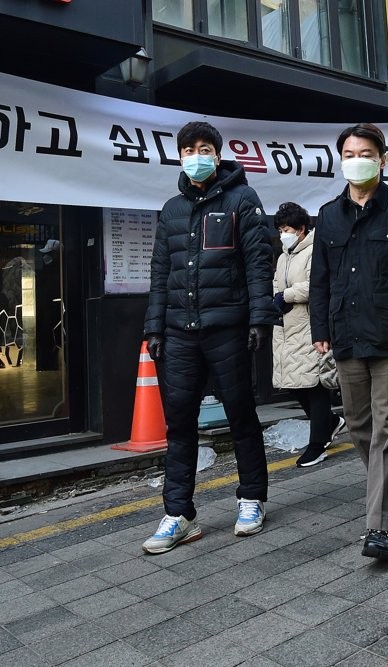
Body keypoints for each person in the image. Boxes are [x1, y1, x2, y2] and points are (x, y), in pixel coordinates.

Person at [142, 121, 280, 554]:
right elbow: (160, 273)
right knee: (179, 423)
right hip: (179, 333)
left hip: (228, 329)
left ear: (217, 155)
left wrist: (259, 320)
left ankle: (252, 498)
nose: (196, 156)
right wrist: (154, 326)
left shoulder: (243, 200)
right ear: (180, 156)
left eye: (204, 148)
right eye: (188, 150)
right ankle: (178, 514)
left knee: (240, 415)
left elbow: (260, 262)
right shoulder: (170, 210)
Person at [310, 123, 388, 561]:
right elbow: (320, 279)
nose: (357, 159)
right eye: (349, 152)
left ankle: (380, 528)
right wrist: (320, 330)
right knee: (360, 429)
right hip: (346, 336)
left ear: (382, 160)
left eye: (365, 152)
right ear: (340, 160)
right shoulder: (328, 215)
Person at [270, 201, 347, 467]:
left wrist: (285, 295)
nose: (283, 234)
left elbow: (317, 284)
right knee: (294, 383)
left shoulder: (315, 250)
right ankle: (330, 422)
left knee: (314, 385)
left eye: (287, 228)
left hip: (310, 326)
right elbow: (277, 284)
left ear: (302, 228)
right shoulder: (283, 256)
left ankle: (318, 444)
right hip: (288, 328)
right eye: (280, 229)